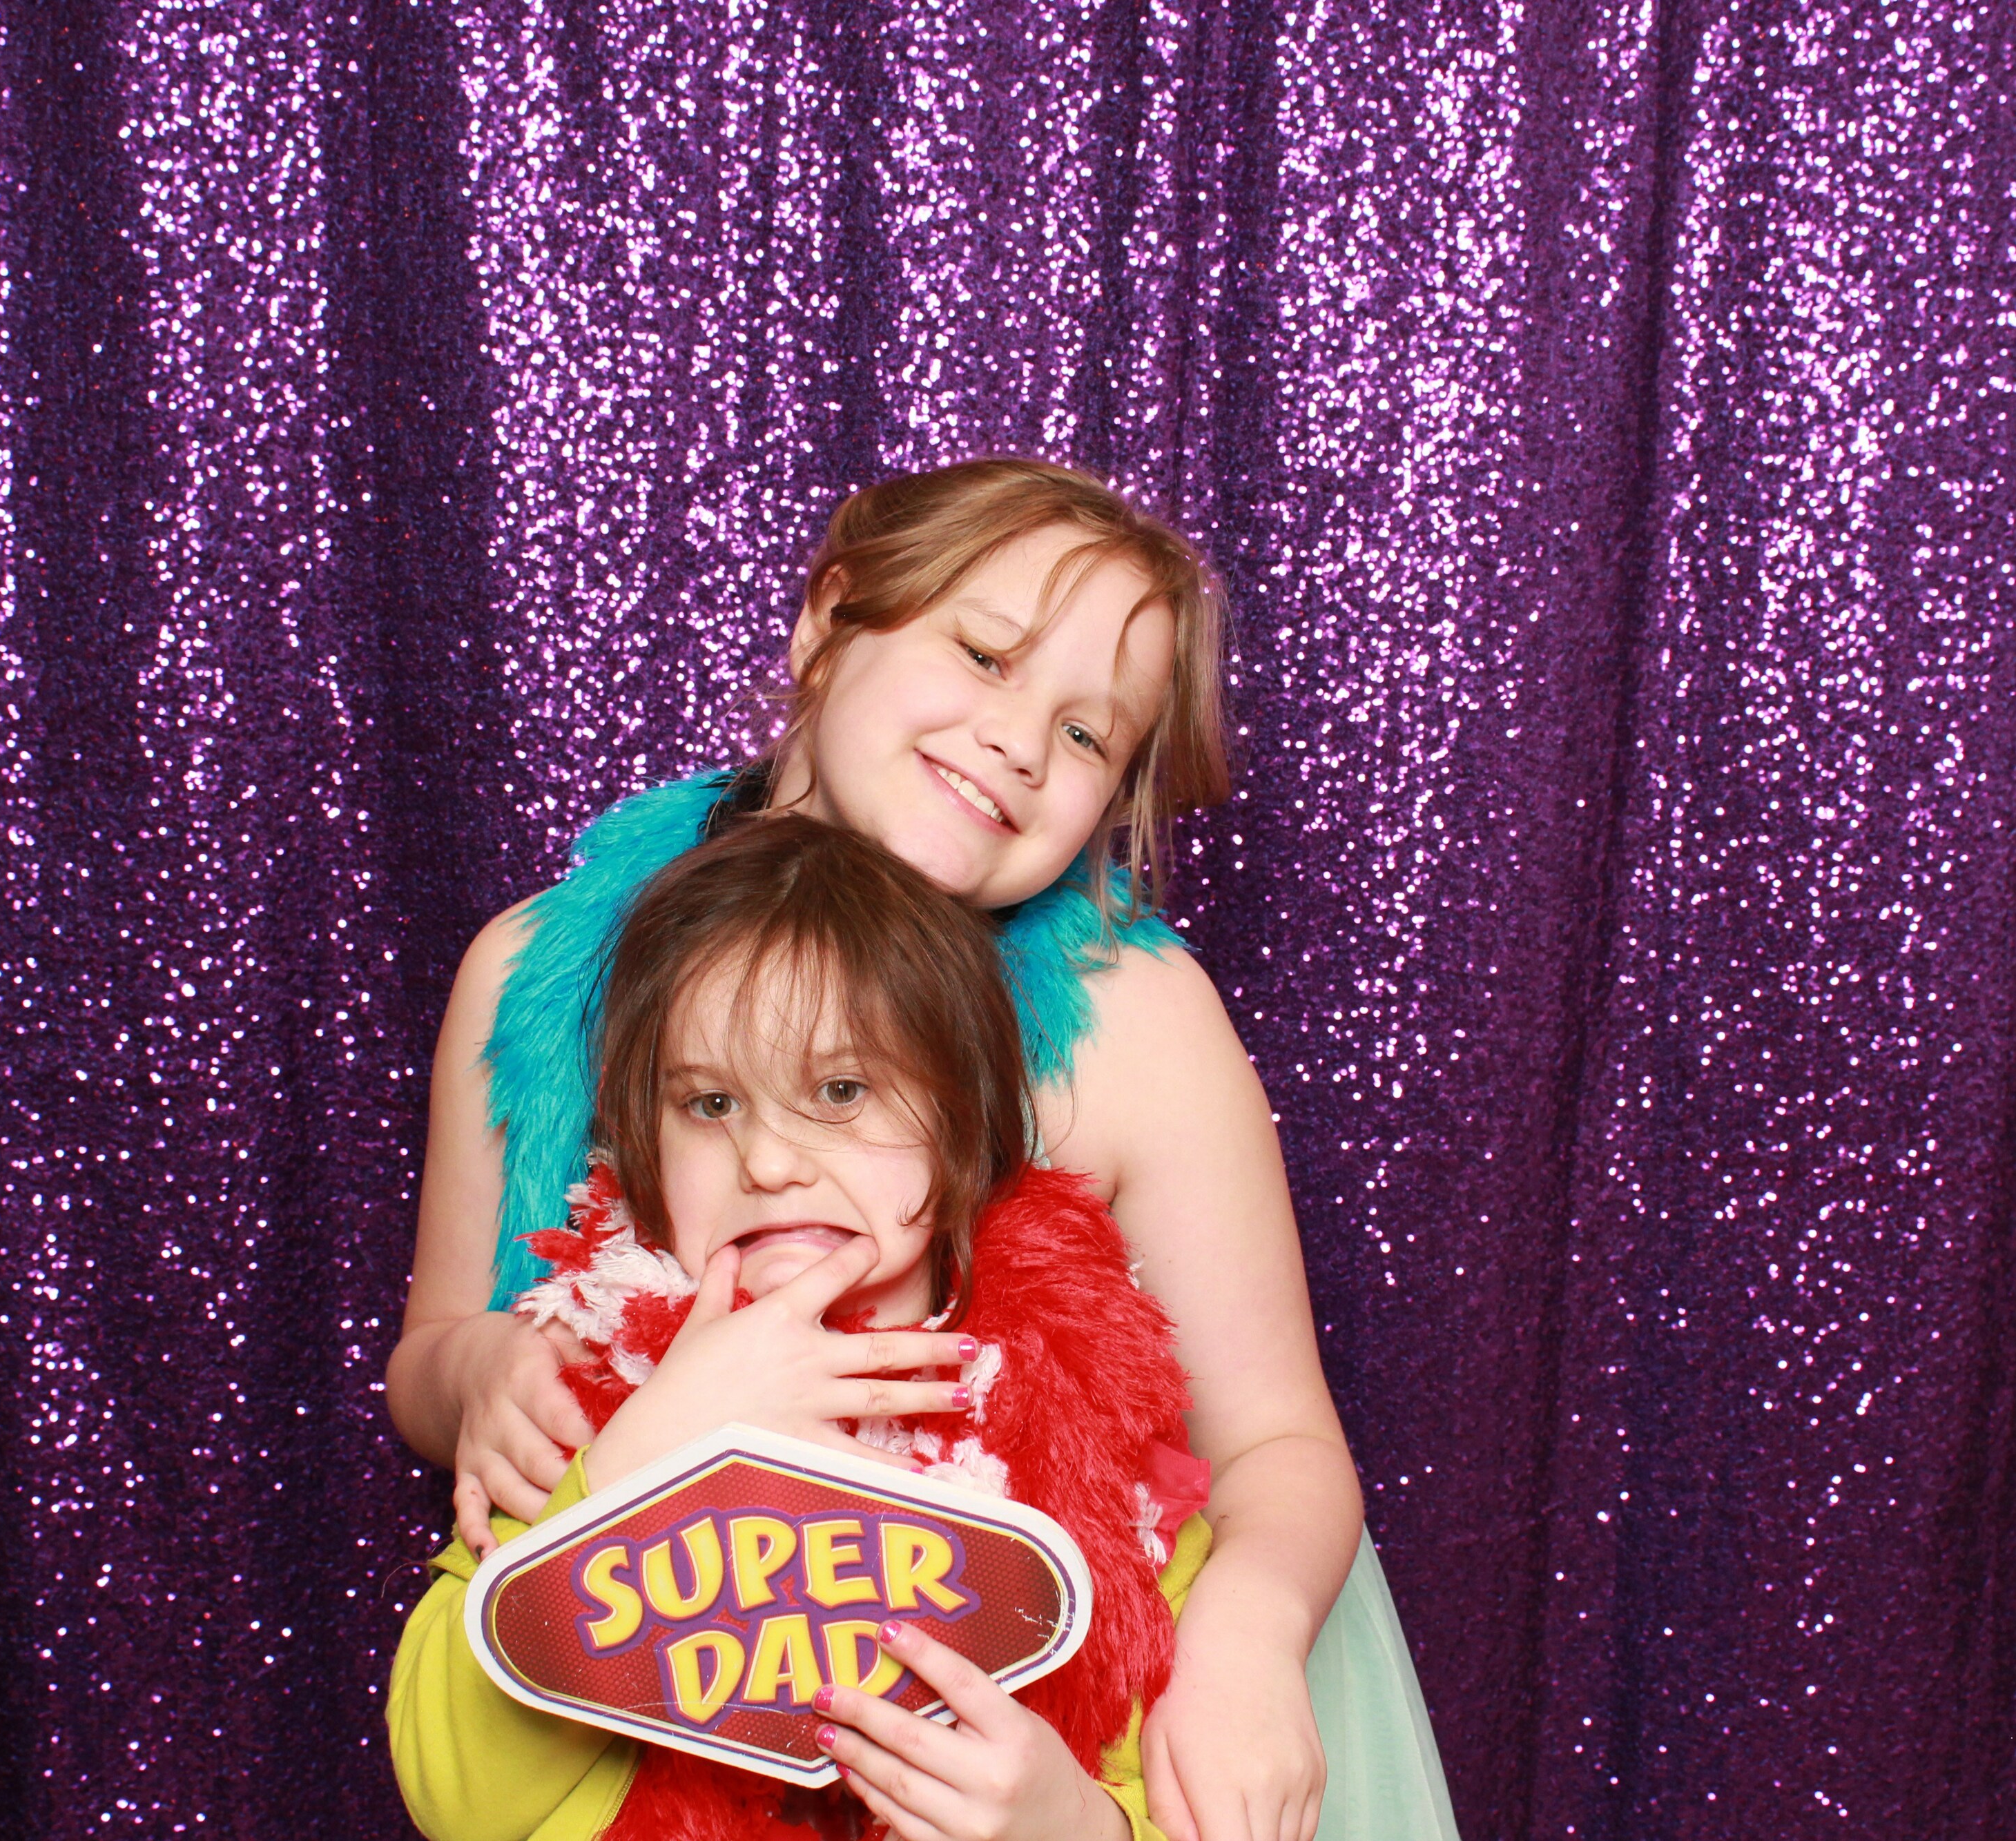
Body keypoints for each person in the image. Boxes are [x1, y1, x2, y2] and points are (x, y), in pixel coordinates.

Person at [389, 459, 1455, 1841]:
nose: (1019, 742)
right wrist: (485, 1373)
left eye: (1087, 734)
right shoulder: (538, 969)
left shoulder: (1135, 1019)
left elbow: (1275, 1438)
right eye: (985, 653)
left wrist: (1245, 1645)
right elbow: (432, 1355)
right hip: (633, 1666)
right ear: (826, 624)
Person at [390, 816, 1217, 1840]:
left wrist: (1073, 1827)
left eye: (841, 1090)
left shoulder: (1089, 1442)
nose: (770, 1161)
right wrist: (648, 1458)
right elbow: (454, 1800)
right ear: (641, 1151)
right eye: (710, 1104)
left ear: (968, 1124)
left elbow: (1181, 1786)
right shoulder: (578, 1402)